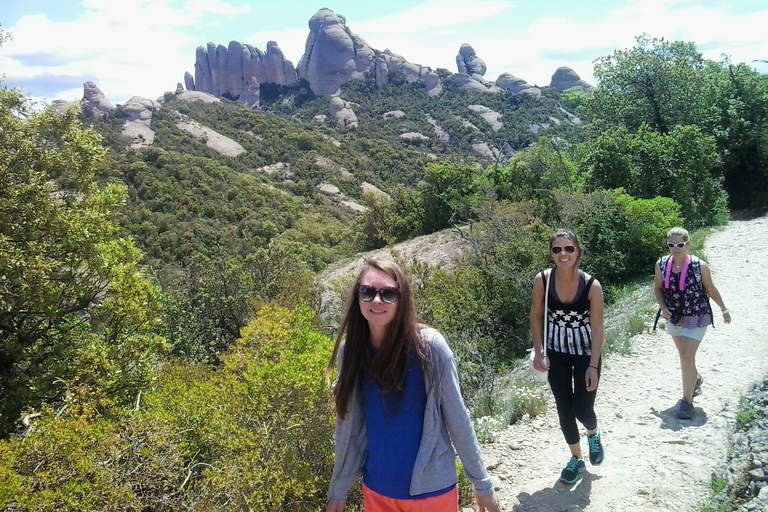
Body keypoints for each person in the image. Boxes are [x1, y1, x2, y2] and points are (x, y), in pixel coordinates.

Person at [325, 258, 501, 512]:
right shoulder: (351, 352)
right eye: (367, 291)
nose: (376, 300)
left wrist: (482, 485)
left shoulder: (429, 348)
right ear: (357, 296)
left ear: (402, 298)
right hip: (377, 489)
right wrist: (338, 490)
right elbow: (347, 426)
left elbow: (458, 418)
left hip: (431, 492)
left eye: (388, 293)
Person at [530, 229, 605, 484]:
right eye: (557, 249)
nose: (563, 253)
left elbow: (597, 327)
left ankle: (593, 433)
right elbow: (536, 314)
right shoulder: (543, 280)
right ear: (552, 254)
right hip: (556, 354)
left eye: (568, 249)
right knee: (564, 409)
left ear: (578, 252)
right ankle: (576, 459)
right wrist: (539, 351)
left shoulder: (592, 285)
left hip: (586, 354)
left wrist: (593, 365)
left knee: (583, 408)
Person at [653, 226, 731, 420]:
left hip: (696, 315)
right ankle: (694, 379)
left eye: (680, 244)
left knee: (687, 357)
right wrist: (663, 307)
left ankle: (687, 402)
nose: (675, 248)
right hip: (674, 315)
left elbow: (710, 289)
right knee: (684, 356)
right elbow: (658, 288)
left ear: (688, 244)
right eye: (671, 244)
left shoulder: (699, 265)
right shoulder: (661, 264)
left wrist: (724, 309)